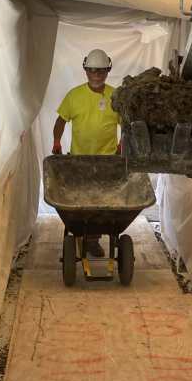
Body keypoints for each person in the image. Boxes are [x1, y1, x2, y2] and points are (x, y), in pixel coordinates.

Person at [52, 48, 120, 256]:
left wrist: (123, 145)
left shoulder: (116, 96)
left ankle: (92, 240)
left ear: (108, 71)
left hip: (107, 161)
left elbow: (127, 124)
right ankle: (80, 235)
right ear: (85, 71)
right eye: (92, 70)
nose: (96, 75)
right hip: (79, 160)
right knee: (81, 202)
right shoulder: (74, 96)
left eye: (100, 71)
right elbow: (61, 120)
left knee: (100, 204)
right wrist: (56, 142)